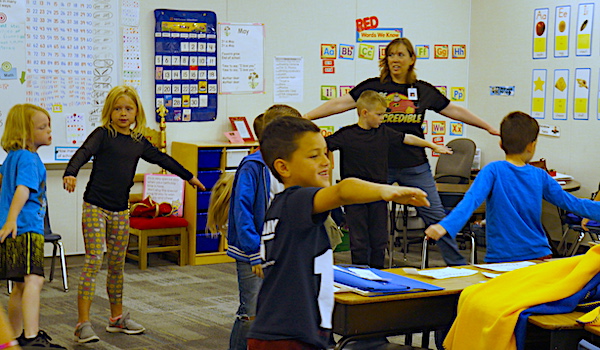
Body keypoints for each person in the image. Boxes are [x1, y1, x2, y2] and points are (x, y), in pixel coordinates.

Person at [305, 37, 499, 266]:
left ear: (411, 59)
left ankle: (457, 264)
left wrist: (486, 126)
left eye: (400, 55)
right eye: (391, 55)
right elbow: (339, 103)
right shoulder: (372, 87)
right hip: (379, 168)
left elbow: (453, 110)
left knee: (435, 215)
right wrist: (306, 117)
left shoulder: (422, 90)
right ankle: (368, 269)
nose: (395, 60)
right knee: (368, 222)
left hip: (414, 166)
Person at [247, 116, 430, 349]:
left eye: (325, 153)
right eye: (313, 156)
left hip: (287, 332)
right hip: (287, 336)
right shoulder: (296, 200)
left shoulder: (283, 207)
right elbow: (343, 191)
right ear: (283, 167)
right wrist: (387, 191)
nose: (325, 162)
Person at [62, 85, 205, 343]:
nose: (123, 113)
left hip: (120, 210)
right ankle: (82, 323)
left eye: (128, 108)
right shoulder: (103, 134)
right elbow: (83, 152)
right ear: (109, 111)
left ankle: (116, 319)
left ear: (137, 111)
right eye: (117, 109)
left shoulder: (138, 142)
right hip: (95, 206)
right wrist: (70, 172)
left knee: (117, 266)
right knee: (95, 260)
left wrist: (189, 177)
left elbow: (163, 159)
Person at [425, 111, 600, 263]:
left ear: (501, 144)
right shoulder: (540, 175)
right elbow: (574, 204)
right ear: (532, 145)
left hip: (501, 259)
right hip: (538, 256)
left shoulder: (492, 171)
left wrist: (446, 226)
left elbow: (470, 201)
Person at [326, 90, 451, 269]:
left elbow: (408, 139)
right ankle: (361, 274)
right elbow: (323, 146)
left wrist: (432, 145)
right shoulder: (346, 135)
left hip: (379, 195)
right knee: (359, 240)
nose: (382, 118)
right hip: (354, 196)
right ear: (364, 113)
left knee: (379, 239)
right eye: (379, 115)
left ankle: (379, 274)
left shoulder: (383, 132)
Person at [209, 105, 300, 350]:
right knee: (251, 311)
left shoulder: (290, 164)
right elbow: (242, 212)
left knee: (279, 310)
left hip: (282, 248)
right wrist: (254, 253)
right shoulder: (253, 166)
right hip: (254, 251)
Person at [0, 104, 65, 349]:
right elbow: (23, 190)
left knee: (19, 285)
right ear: (26, 133)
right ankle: (31, 337)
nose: (49, 130)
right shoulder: (28, 158)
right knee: (34, 281)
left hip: (15, 228)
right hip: (26, 228)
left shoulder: (12, 158)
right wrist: (11, 219)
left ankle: (15, 337)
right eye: (42, 127)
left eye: (49, 125)